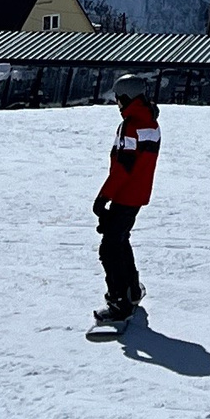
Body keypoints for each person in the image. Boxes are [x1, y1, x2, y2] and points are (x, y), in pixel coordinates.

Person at [93, 88, 159, 320]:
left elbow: (124, 167)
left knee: (109, 248)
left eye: (118, 99)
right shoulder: (149, 120)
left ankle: (119, 301)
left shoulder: (132, 125)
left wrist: (104, 197)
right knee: (119, 240)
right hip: (137, 193)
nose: (117, 104)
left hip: (126, 193)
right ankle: (131, 290)